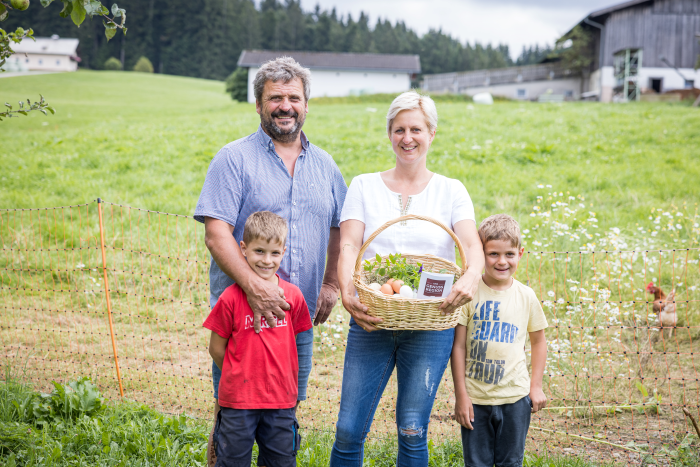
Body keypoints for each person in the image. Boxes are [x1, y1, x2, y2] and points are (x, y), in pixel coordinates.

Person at [194, 56, 347, 466]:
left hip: (297, 323)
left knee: (284, 418)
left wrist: (331, 283)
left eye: (293, 97)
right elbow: (216, 233)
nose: (285, 105)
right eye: (275, 97)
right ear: (259, 104)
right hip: (243, 321)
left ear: (306, 104)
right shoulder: (234, 159)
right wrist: (254, 286)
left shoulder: (326, 166)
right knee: (232, 420)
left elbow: (339, 228)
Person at [331, 90, 486, 466]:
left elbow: (471, 245)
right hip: (372, 318)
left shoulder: (452, 190)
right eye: (399, 129)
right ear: (389, 133)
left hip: (432, 325)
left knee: (413, 428)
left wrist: (471, 277)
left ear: (431, 133)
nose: (407, 137)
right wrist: (347, 289)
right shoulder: (364, 185)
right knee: (349, 429)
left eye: (416, 128)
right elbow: (349, 244)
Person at [204, 211, 312, 467]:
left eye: (274, 253)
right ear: (243, 249)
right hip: (238, 402)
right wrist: (239, 371)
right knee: (232, 461)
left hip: (280, 402)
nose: (267, 260)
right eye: (259, 251)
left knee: (280, 462)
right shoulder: (230, 299)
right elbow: (216, 348)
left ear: (284, 252)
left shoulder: (293, 297)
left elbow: (295, 345)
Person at [451, 214, 548, 467]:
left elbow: (538, 342)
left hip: (516, 399)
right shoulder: (468, 294)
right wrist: (461, 395)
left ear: (520, 253)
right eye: (493, 254)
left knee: (510, 462)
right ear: (480, 254)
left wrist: (535, 386)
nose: (502, 261)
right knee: (476, 463)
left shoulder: (526, 296)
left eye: (509, 254)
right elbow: (458, 346)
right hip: (476, 400)